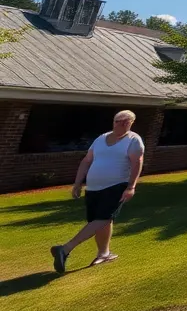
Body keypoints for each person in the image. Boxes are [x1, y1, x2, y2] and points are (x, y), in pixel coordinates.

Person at [51, 109, 145, 273]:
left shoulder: (133, 140)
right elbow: (87, 161)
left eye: (126, 121)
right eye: (119, 120)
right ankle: (103, 253)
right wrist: (77, 183)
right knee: (100, 221)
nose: (122, 124)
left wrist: (131, 187)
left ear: (131, 123)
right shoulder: (101, 139)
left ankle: (66, 248)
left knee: (103, 218)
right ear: (114, 121)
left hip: (116, 185)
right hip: (93, 187)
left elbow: (137, 163)